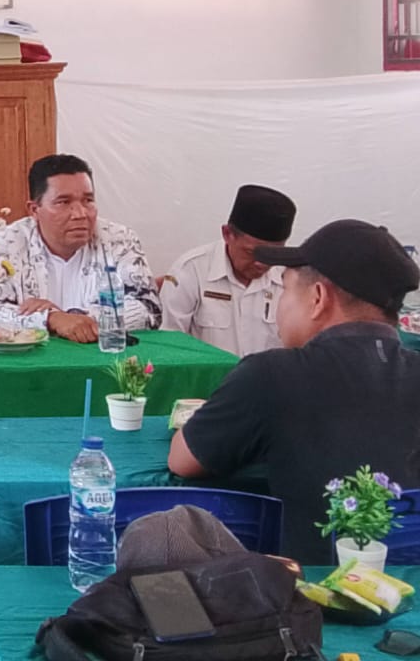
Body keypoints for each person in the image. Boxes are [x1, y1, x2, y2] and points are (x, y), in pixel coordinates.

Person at [168, 219, 420, 562]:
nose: (279, 306)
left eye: (284, 289)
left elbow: (183, 460)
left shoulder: (270, 374)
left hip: (316, 588)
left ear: (317, 298)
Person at [0, 154, 159, 341]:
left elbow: (148, 308)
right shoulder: (5, 243)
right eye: (64, 202)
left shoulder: (120, 240)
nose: (80, 214)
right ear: (34, 210)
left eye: (88, 200)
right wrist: (51, 319)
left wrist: (75, 318)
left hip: (101, 355)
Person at [160, 184, 296, 356]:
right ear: (227, 234)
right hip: (209, 373)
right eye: (251, 252)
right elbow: (169, 345)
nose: (261, 264)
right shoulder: (190, 271)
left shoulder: (291, 280)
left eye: (272, 254)